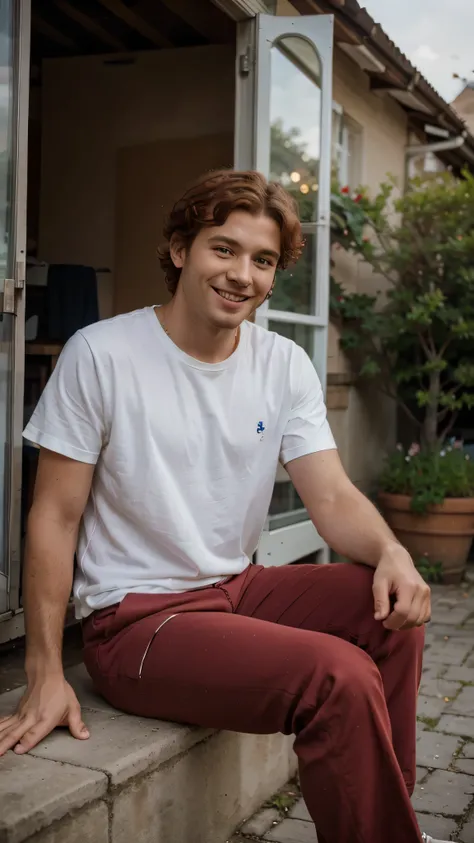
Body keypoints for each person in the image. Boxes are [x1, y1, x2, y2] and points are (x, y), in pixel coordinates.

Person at [0, 170, 439, 843]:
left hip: (238, 588)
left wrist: (392, 552)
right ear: (180, 249)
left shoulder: (282, 364)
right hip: (136, 620)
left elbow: (329, 494)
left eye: (263, 260)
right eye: (223, 249)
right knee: (339, 674)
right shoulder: (102, 354)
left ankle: (388, 816)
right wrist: (45, 673)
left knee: (393, 611)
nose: (243, 274)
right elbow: (53, 518)